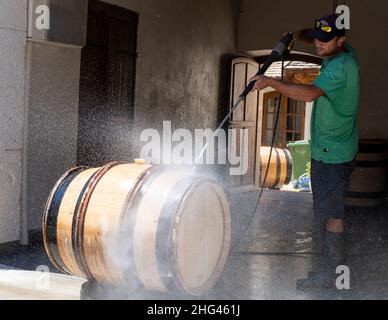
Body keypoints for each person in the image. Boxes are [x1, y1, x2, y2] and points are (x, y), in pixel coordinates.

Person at [250, 14, 360, 290]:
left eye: (325, 40)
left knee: (332, 215)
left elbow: (309, 94)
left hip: (333, 154)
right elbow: (324, 43)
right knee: (326, 211)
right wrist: (293, 38)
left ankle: (332, 278)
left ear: (341, 40)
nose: (319, 45)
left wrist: (272, 82)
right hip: (332, 148)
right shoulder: (341, 53)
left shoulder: (340, 68)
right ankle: (329, 273)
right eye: (316, 39)